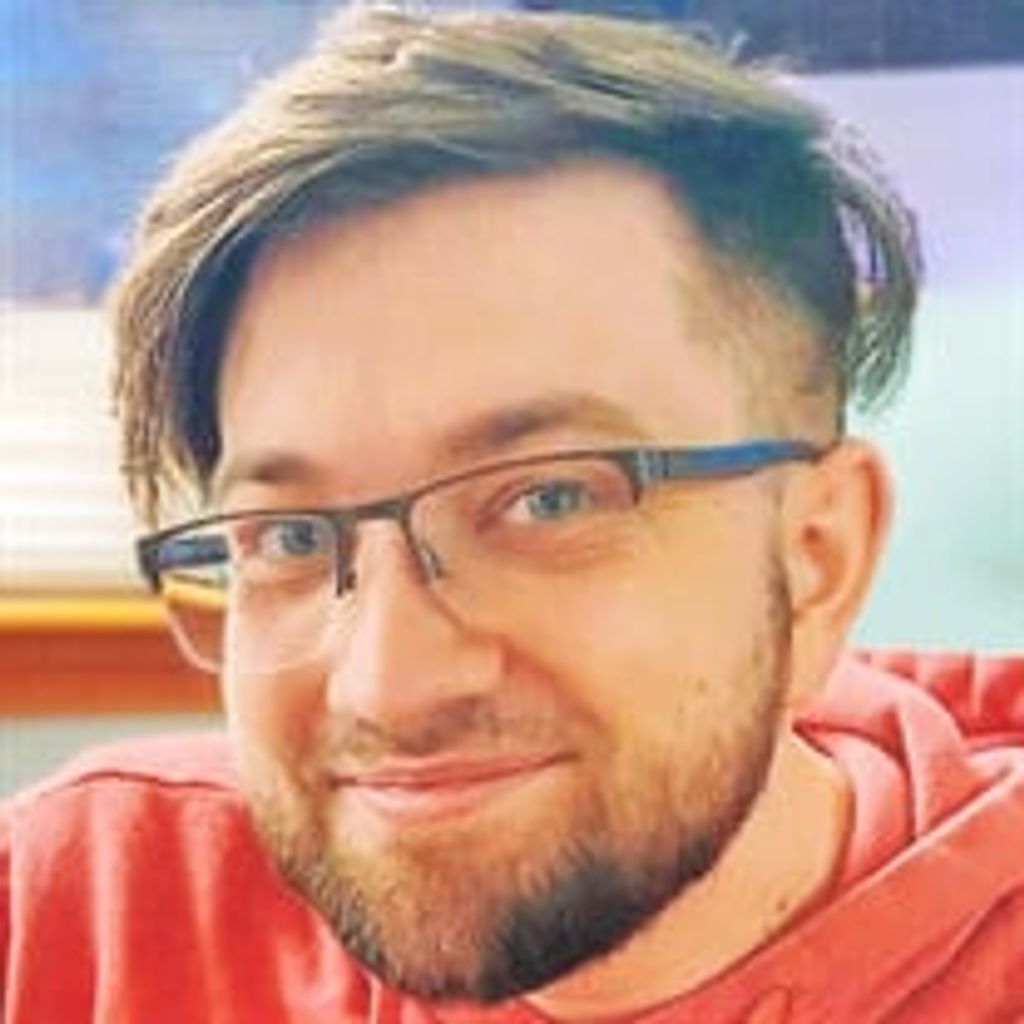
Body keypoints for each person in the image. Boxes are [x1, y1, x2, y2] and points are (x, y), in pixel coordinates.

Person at [2, 7, 1022, 1022]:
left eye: (548, 498)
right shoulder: (87, 919)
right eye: (292, 537)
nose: (389, 686)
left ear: (815, 556)